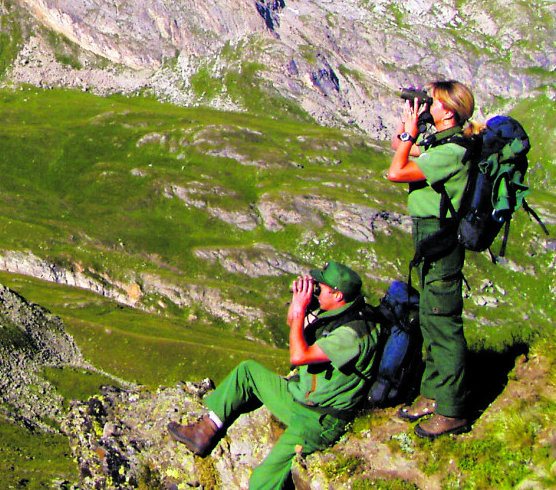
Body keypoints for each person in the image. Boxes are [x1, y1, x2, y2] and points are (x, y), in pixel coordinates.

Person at [167, 261, 377, 490]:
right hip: (300, 396)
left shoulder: (351, 334)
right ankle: (204, 432)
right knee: (247, 371)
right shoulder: (337, 312)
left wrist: (299, 310)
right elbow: (292, 323)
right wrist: (300, 303)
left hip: (318, 420)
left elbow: (298, 355)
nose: (316, 289)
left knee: (261, 482)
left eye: (322, 287)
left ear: (338, 295)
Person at [387, 79, 482, 439]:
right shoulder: (439, 142)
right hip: (429, 235)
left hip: (442, 237)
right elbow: (400, 148)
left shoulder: (452, 151)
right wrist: (408, 125)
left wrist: (411, 138)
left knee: (443, 322)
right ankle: (432, 394)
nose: (429, 106)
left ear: (449, 111)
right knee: (429, 316)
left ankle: (454, 410)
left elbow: (396, 171)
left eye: (434, 103)